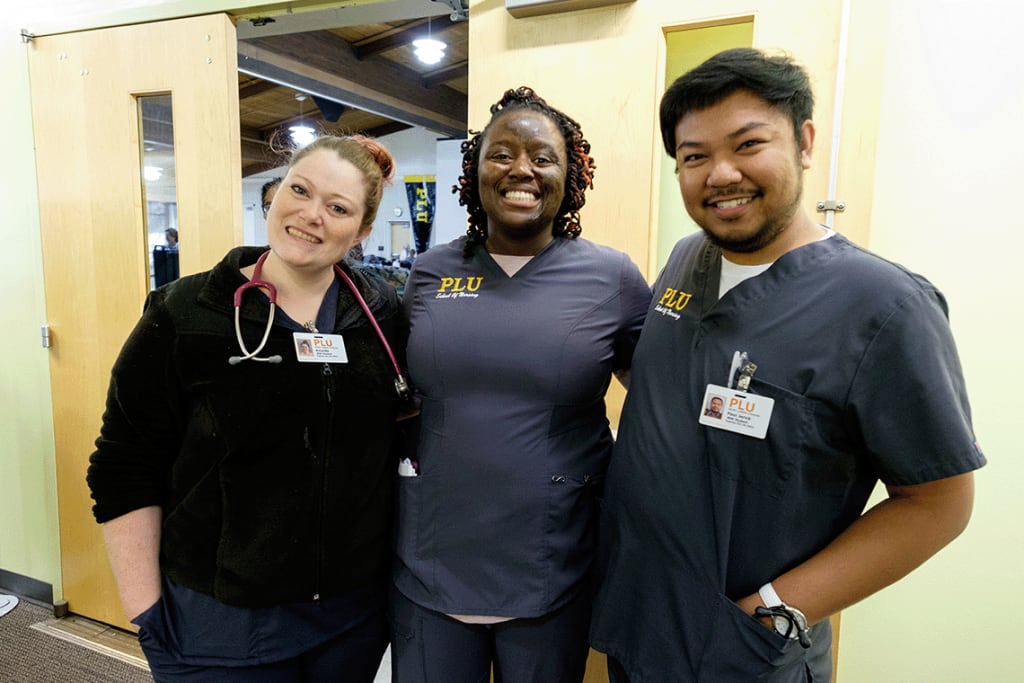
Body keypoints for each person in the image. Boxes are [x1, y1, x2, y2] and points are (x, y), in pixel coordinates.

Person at [589, 47, 986, 682]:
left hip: (743, 652)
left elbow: (938, 503)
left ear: (803, 142)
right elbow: (674, 381)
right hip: (639, 621)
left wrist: (773, 613)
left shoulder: (884, 308)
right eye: (694, 157)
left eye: (748, 144)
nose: (720, 174)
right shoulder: (689, 258)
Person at [87, 135, 407, 682]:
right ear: (275, 191)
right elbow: (123, 464)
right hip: (218, 626)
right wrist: (143, 607)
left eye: (338, 208)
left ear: (363, 231)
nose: (311, 216)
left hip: (350, 621)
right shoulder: (185, 314)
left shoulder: (382, 317)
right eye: (299, 190)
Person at [391, 86, 651, 682]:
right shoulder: (431, 272)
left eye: (542, 157)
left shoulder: (611, 277)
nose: (521, 170)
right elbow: (397, 389)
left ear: (572, 175)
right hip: (434, 544)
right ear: (474, 171)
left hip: (551, 550)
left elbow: (658, 399)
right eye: (501, 154)